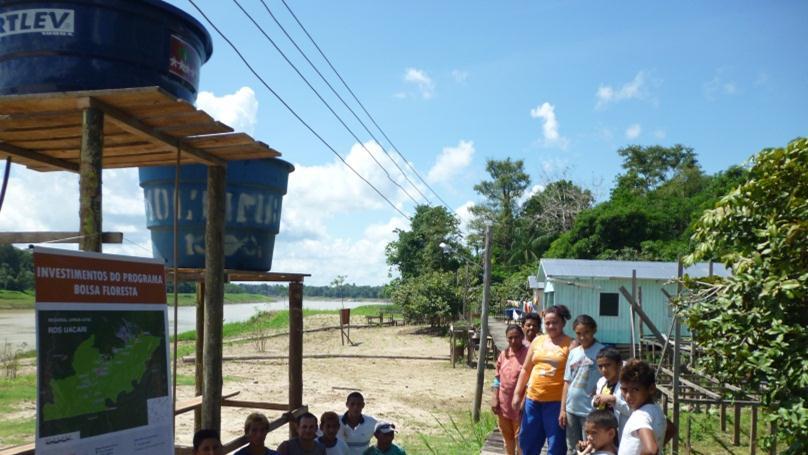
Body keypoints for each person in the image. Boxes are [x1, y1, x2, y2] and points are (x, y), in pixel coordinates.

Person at [512, 304, 574, 455]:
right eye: (547, 323)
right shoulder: (537, 341)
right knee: (527, 442)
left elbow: (572, 377)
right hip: (532, 401)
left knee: (555, 445)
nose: (551, 326)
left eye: (555, 322)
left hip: (556, 403)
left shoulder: (571, 344)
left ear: (563, 323)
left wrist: (564, 408)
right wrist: (517, 394)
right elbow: (526, 369)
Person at [561, 315, 605, 455]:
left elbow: (609, 378)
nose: (582, 337)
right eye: (578, 333)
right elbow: (567, 381)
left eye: (586, 332)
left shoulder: (601, 351)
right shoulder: (573, 353)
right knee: (572, 448)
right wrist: (563, 409)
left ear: (594, 331)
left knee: (590, 449)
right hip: (571, 409)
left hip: (590, 411)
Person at [617, 360, 669, 455]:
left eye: (635, 389)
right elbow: (671, 429)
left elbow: (651, 450)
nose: (628, 396)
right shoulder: (656, 409)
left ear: (651, 389)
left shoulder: (640, 415)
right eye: (624, 390)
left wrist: (654, 448)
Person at [491, 325, 529, 455]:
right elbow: (497, 379)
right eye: (510, 338)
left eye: (516, 337)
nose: (513, 341)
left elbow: (531, 382)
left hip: (521, 406)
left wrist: (524, 402)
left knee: (521, 439)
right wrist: (494, 398)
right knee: (507, 438)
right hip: (504, 404)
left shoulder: (528, 355)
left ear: (522, 337)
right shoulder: (503, 354)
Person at [592, 347, 630, 438]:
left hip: (622, 432)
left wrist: (614, 401)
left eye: (608, 365)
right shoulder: (601, 382)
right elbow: (595, 402)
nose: (604, 370)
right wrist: (595, 401)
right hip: (605, 431)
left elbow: (633, 410)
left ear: (619, 364)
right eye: (600, 366)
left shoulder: (628, 385)